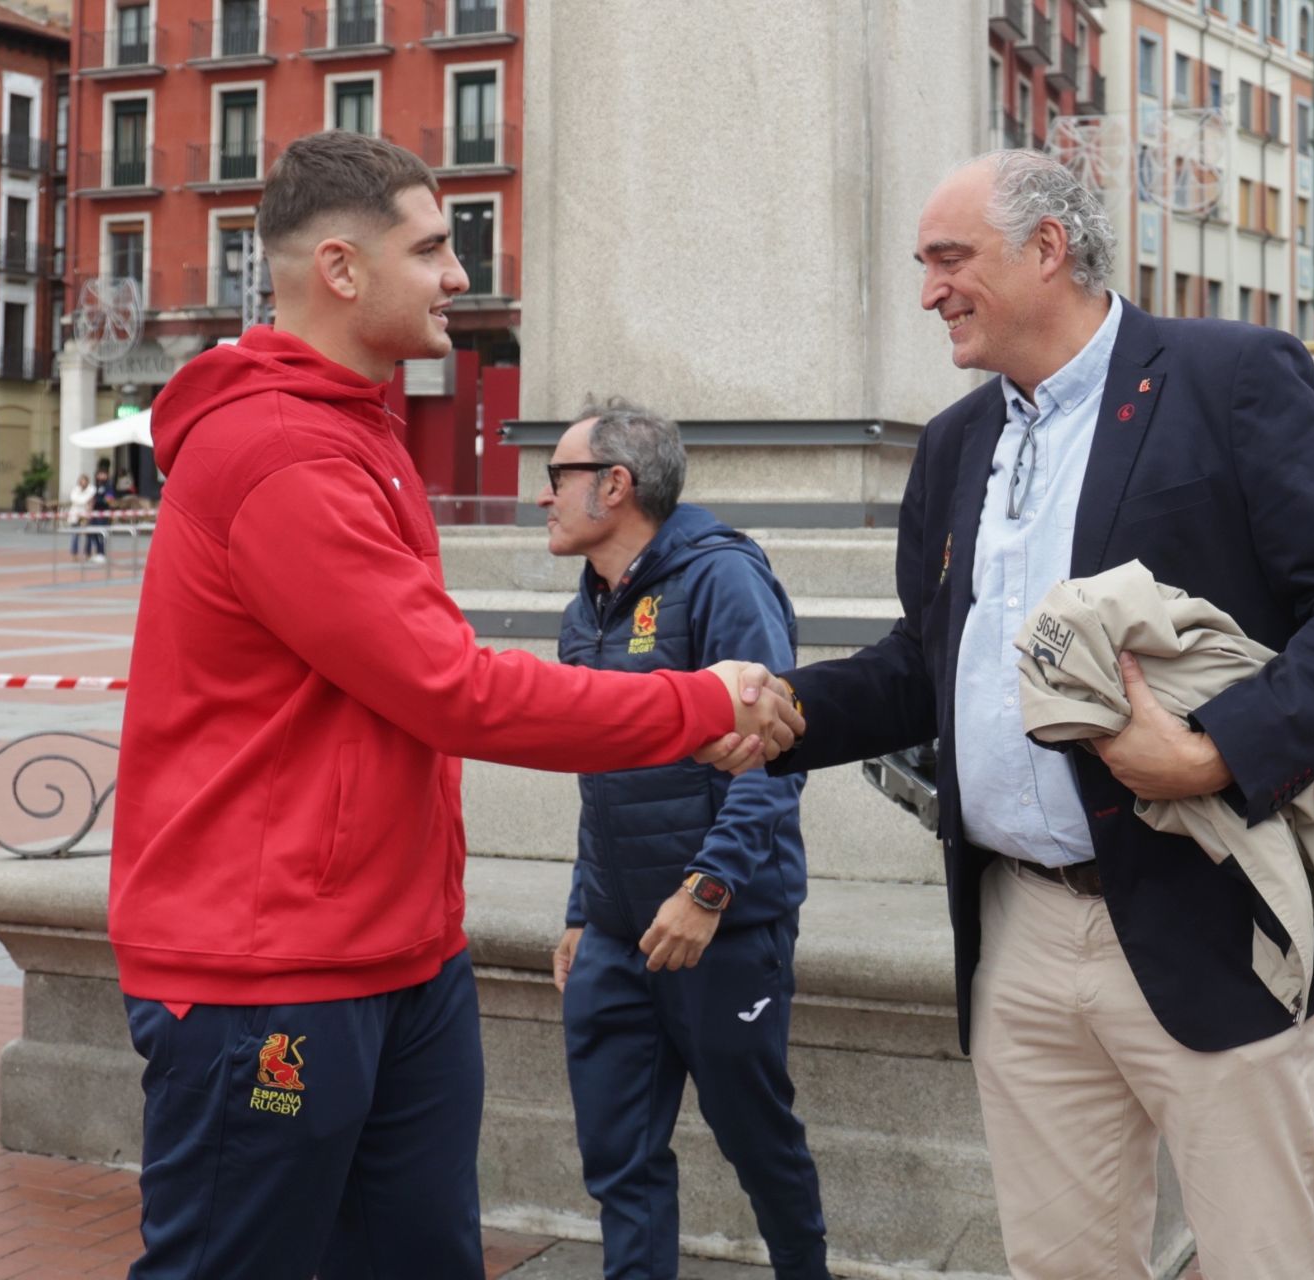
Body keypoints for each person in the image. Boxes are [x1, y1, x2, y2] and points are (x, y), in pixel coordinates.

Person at [110, 132, 803, 1280]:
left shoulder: (357, 436)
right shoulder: (284, 455)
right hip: (272, 970)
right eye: (432, 247)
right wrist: (698, 700)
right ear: (341, 268)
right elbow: (453, 690)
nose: (458, 274)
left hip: (398, 956)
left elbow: (420, 676)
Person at [754, 150, 1314, 1279]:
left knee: (1266, 1256)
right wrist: (787, 708)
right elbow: (928, 665)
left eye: (949, 259)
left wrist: (1215, 751)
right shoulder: (955, 443)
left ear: (1047, 249)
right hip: (1019, 927)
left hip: (1212, 912)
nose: (928, 290)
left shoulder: (1232, 377)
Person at [542, 400, 828, 1280]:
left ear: (615, 486)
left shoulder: (723, 581)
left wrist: (707, 891)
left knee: (756, 1141)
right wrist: (584, 910)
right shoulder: (584, 609)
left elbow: (777, 758)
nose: (543, 497)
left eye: (558, 477)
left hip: (721, 928)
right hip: (619, 934)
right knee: (619, 1157)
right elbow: (601, 779)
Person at [65, 473, 101, 560]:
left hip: (86, 513)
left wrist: (82, 500)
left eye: (84, 481)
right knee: (75, 534)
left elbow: (86, 499)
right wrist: (82, 500)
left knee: (88, 534)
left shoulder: (92, 489)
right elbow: (74, 498)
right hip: (75, 514)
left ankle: (87, 553)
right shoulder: (75, 489)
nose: (83, 482)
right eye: (81, 481)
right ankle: (74, 554)